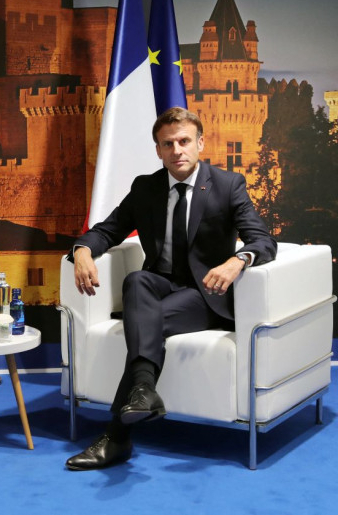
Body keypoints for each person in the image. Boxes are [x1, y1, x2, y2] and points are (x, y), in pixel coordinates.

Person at [65, 107, 277, 470]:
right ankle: (145, 393)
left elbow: (262, 240)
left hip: (205, 294)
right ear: (159, 150)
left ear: (200, 143)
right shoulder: (145, 187)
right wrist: (82, 249)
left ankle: (117, 436)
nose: (177, 150)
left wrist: (236, 261)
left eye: (184, 141)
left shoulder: (228, 185)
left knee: (148, 321)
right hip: (160, 282)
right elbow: (107, 230)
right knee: (136, 280)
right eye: (168, 144)